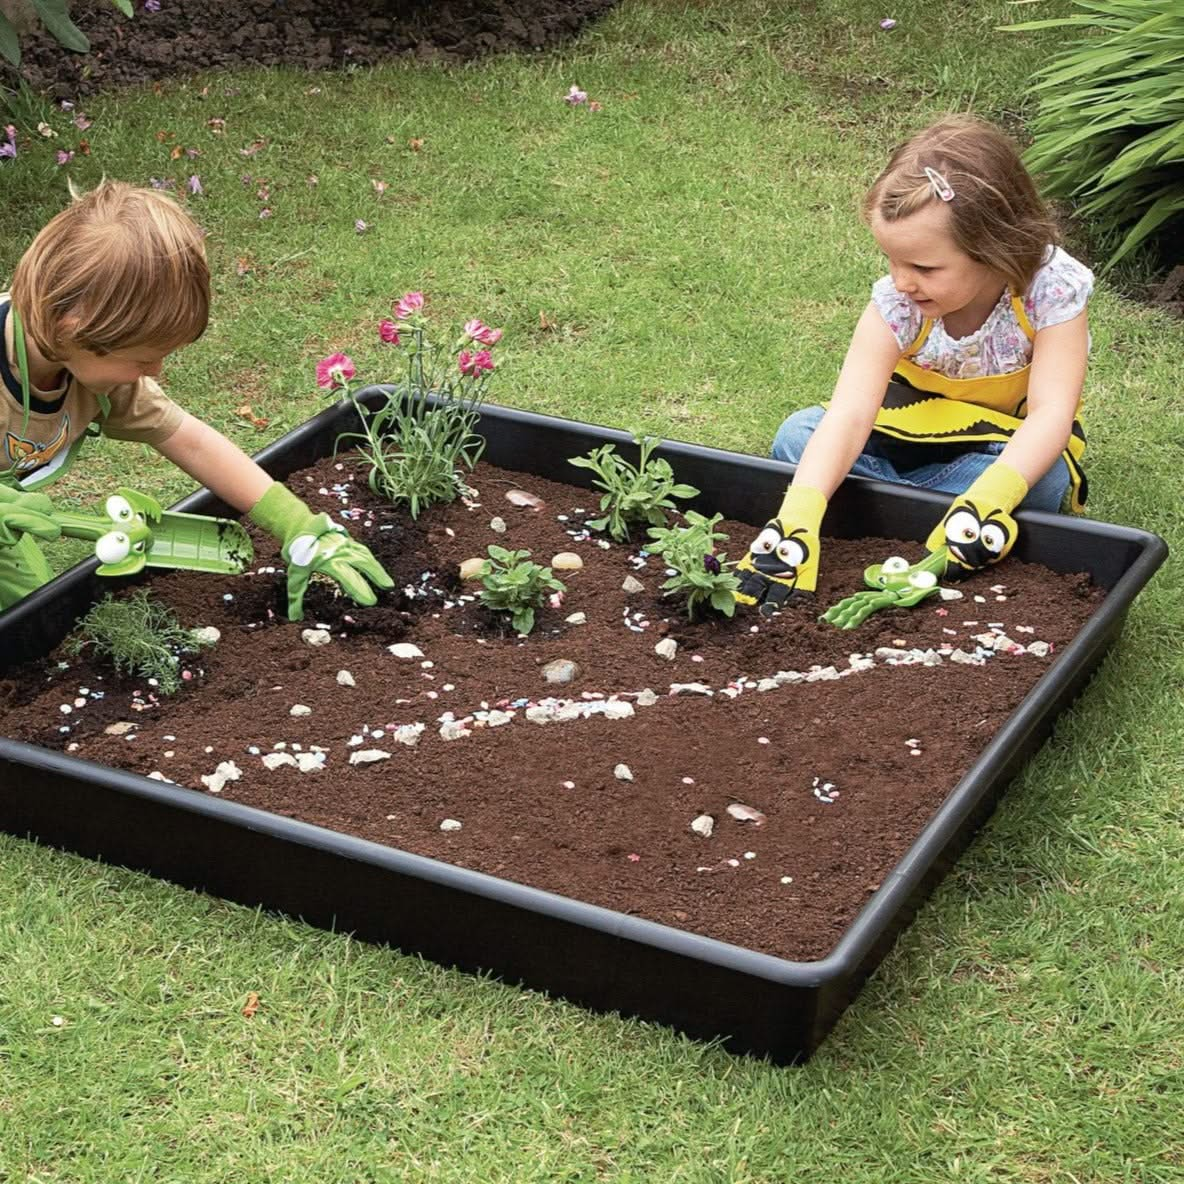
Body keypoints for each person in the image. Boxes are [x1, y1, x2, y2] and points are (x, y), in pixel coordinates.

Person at [736, 115, 1093, 615]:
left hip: (992, 446)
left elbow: (1051, 414)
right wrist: (797, 517)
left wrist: (989, 498)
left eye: (924, 268)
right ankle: (928, 510)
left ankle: (897, 505)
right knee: (797, 436)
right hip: (901, 435)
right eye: (891, 261)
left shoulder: (1050, 292)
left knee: (1047, 480)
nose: (902, 281)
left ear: (994, 248)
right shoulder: (898, 301)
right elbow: (850, 414)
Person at [0, 179, 392, 618]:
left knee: (33, 624)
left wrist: (299, 527)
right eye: (144, 359)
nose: (155, 372)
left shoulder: (102, 378)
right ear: (74, 330)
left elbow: (189, 439)